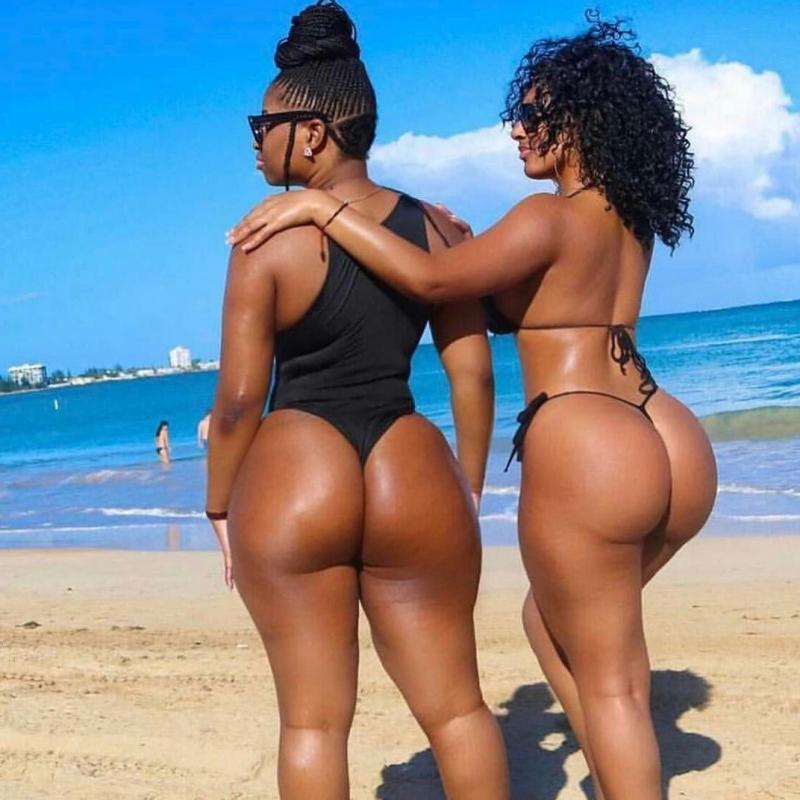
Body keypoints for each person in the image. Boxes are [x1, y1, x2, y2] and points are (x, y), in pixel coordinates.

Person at [227, 14, 718, 800]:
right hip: (664, 424)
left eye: (531, 114)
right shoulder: (630, 217)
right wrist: (458, 238)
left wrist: (324, 211)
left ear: (578, 124)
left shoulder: (545, 217)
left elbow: (431, 283)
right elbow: (523, 297)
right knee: (552, 629)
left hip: (589, 432)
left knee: (613, 685)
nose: (516, 128)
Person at [206, 3, 508, 798]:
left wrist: (219, 506)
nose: (255, 141)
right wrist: (469, 487)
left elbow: (238, 401)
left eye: (263, 125)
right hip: (410, 462)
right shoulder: (435, 228)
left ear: (311, 134)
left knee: (312, 724)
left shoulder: (264, 237)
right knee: (458, 711)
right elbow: (473, 374)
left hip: (299, 466)